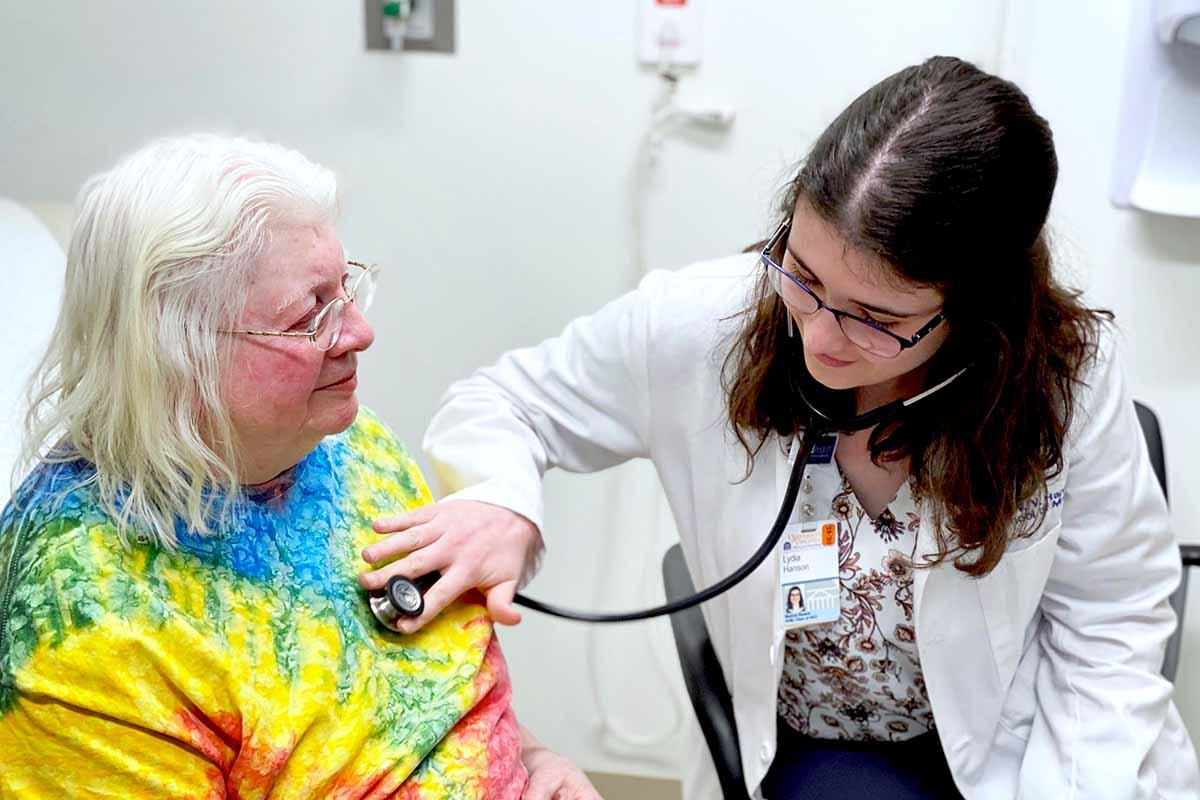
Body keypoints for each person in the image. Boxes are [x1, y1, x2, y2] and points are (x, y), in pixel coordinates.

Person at [360, 57, 1200, 798]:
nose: (820, 339)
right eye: (802, 275)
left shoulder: (1064, 373)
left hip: (1023, 736)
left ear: (977, 314)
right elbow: (505, 401)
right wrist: (504, 503)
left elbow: (1114, 617)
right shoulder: (704, 324)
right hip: (812, 743)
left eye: (877, 317)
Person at [0, 134, 598, 800]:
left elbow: (433, 685)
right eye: (310, 313)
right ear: (174, 352)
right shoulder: (90, 627)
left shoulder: (345, 446)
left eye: (346, 290)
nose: (358, 333)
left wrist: (534, 759)